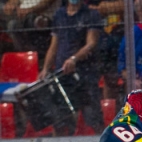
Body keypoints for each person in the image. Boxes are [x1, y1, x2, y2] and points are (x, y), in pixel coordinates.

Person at [37, 0, 104, 134]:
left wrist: (74, 58)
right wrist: (45, 69)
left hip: (85, 74)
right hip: (62, 74)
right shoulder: (59, 15)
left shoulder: (91, 14)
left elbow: (91, 43)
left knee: (92, 116)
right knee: (61, 119)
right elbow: (54, 45)